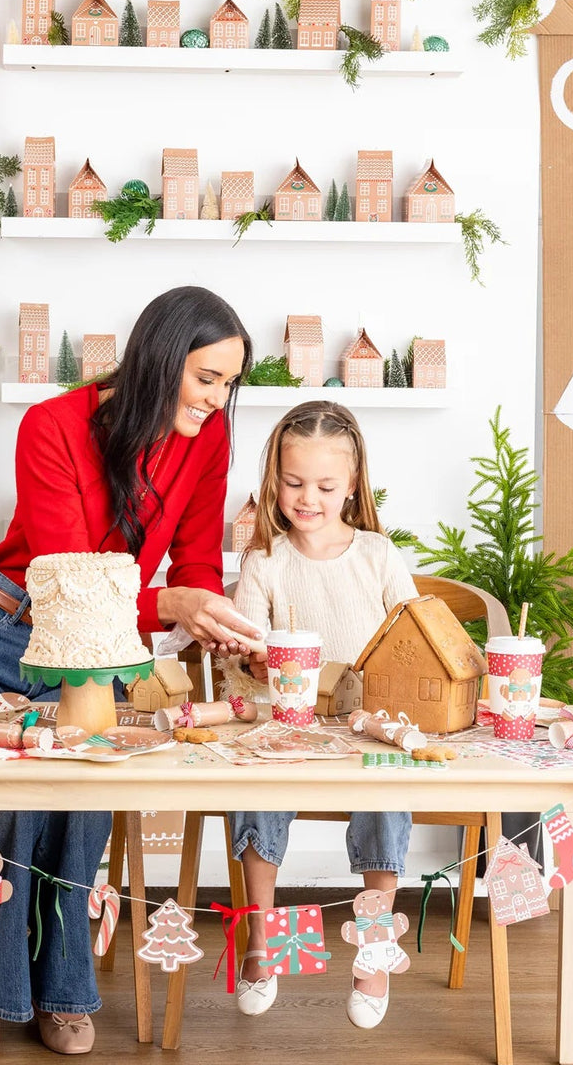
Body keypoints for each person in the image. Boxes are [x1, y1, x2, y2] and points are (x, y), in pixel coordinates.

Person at [0, 286, 262, 1059]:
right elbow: (67, 577)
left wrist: (210, 617)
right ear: (160, 360)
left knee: (82, 788)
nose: (217, 399)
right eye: (207, 378)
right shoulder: (54, 425)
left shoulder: (205, 440)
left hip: (98, 651)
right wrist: (171, 600)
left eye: (229, 383)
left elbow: (197, 557)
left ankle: (62, 992)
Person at [220, 401, 418, 1030]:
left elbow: (415, 640)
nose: (308, 498)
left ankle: (374, 945)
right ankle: (264, 940)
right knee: (256, 783)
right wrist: (252, 662)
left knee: (387, 788)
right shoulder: (264, 560)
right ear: (273, 479)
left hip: (368, 728)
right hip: (288, 725)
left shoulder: (378, 555)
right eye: (293, 482)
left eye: (326, 486)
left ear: (352, 486)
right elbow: (242, 653)